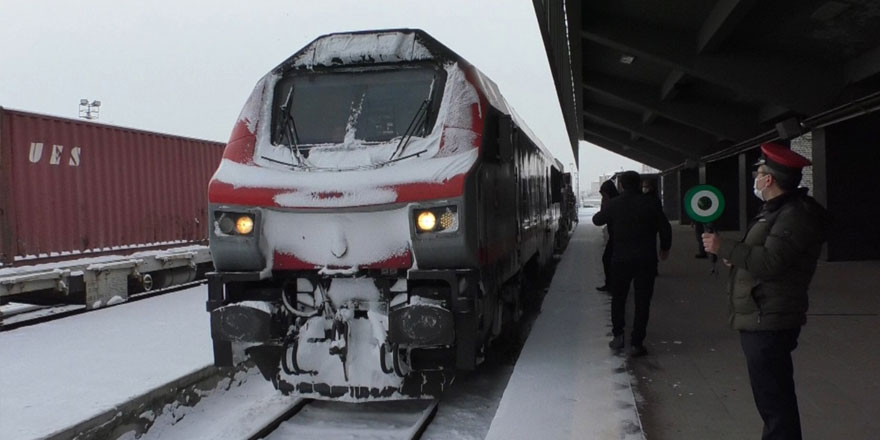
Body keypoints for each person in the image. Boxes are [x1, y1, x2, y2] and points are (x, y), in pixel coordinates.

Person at [702, 142, 828, 440]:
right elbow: (765, 254)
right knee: (770, 395)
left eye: (759, 172)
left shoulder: (794, 215)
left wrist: (725, 246)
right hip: (762, 312)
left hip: (770, 316)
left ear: (769, 179)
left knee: (774, 398)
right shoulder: (775, 210)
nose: (756, 179)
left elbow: (771, 262)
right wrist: (737, 256)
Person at [593, 171, 671, 356]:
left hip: (620, 260)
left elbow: (597, 220)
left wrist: (608, 207)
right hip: (646, 259)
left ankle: (618, 335)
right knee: (642, 301)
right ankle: (637, 342)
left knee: (618, 298)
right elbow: (665, 227)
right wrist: (665, 248)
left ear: (622, 185)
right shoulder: (651, 203)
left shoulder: (615, 203)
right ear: (638, 184)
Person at [596, 179, 619, 292]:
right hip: (616, 237)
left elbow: (598, 220)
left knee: (608, 259)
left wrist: (604, 205)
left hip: (617, 238)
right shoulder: (618, 201)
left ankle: (612, 285)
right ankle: (612, 284)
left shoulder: (612, 204)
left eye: (603, 194)